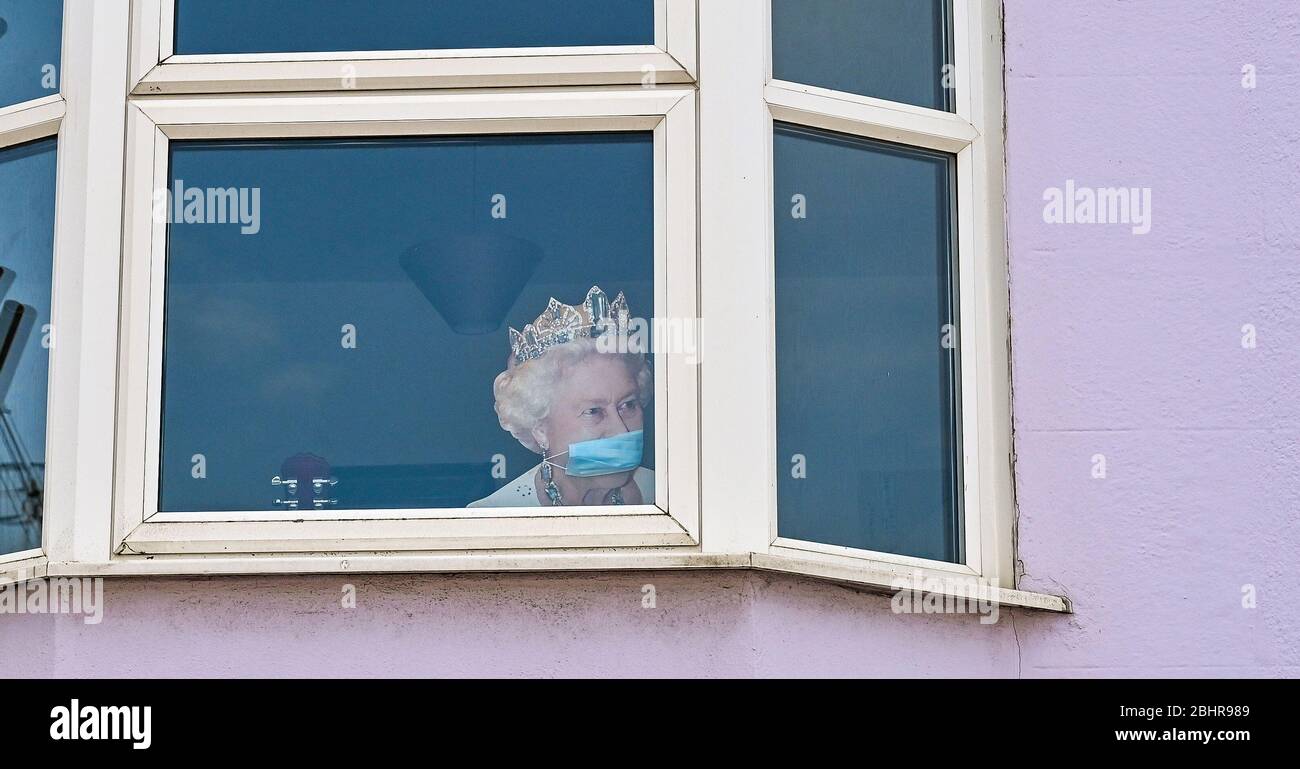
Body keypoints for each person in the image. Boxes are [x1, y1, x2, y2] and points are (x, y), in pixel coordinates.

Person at [469, 286, 653, 508]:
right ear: (540, 429)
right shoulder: (494, 517)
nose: (621, 430)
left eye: (628, 405)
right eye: (593, 411)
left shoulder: (673, 501)